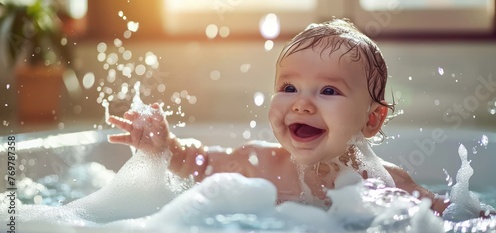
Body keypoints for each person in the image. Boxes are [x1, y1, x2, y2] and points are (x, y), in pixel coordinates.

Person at [107, 18, 449, 215]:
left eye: (328, 91)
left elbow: (458, 217)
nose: (301, 105)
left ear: (372, 120)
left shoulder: (388, 184)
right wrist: (166, 146)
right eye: (288, 88)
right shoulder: (259, 164)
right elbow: (198, 164)